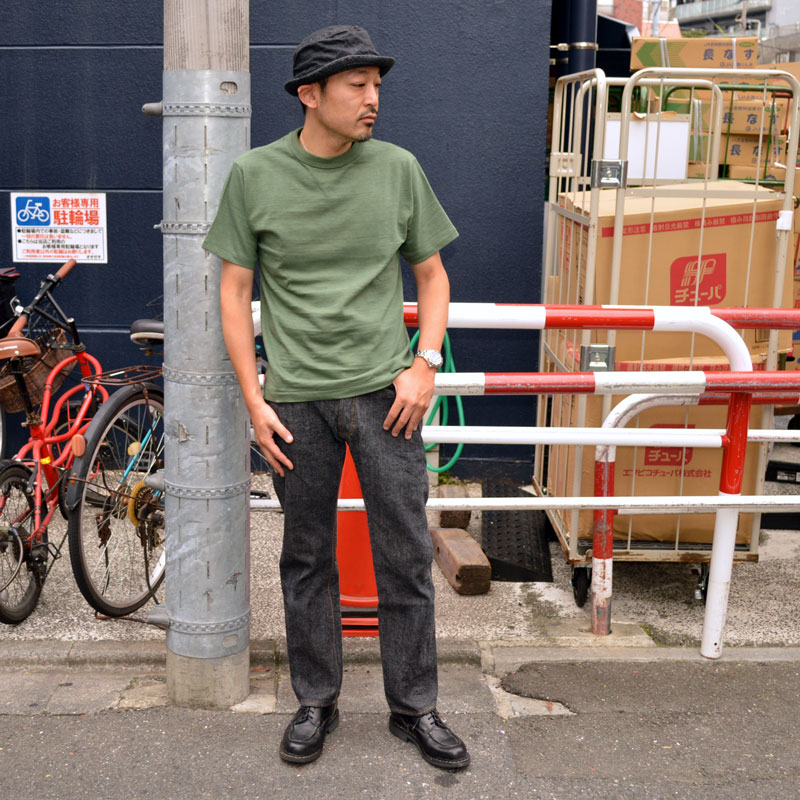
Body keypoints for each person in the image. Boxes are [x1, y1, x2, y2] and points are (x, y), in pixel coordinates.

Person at [203, 24, 468, 771]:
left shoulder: (398, 169)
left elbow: (433, 276)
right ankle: (316, 700)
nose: (373, 98)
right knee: (307, 557)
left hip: (388, 396)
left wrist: (425, 363)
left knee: (405, 555)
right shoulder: (255, 175)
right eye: (357, 85)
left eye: (377, 85)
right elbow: (233, 292)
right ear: (309, 95)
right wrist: (254, 400)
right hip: (295, 403)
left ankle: (414, 707)